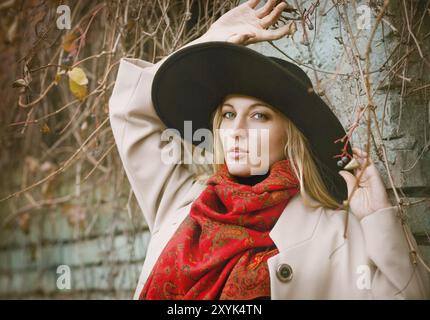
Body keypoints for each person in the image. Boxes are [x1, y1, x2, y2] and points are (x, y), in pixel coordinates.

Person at [109, 0, 430, 299]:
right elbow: (129, 111)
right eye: (229, 114)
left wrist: (378, 217)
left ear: (290, 135)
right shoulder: (181, 203)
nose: (236, 131)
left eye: (259, 116)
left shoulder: (334, 232)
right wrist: (210, 40)